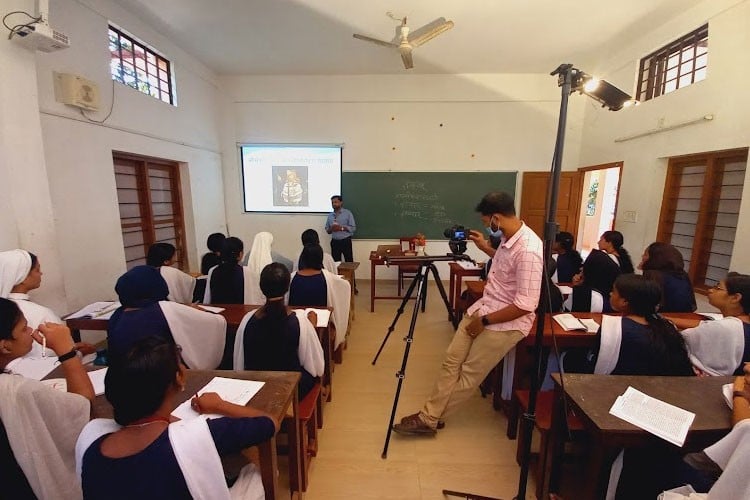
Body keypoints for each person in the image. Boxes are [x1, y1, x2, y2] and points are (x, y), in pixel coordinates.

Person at [393, 192, 543, 435]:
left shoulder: (529, 249)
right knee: (451, 361)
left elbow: (526, 305)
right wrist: (486, 248)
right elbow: (507, 264)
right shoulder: (509, 239)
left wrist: (484, 321)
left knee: (470, 373)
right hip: (483, 308)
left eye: (487, 223)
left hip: (505, 323)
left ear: (496, 218)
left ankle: (429, 417)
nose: (488, 227)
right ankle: (431, 416)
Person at [76, 336, 279, 500]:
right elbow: (270, 423)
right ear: (178, 378)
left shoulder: (90, 440)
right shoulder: (199, 435)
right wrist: (219, 405)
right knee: (256, 472)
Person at [0, 298, 93, 499]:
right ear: (5, 347)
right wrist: (66, 351)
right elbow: (82, 407)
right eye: (24, 329)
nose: (31, 330)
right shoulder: (16, 392)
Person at [565, 274, 694, 376]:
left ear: (624, 301)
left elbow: (596, 366)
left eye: (614, 292)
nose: (610, 294)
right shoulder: (667, 326)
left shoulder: (613, 328)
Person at [233, 263, 324, 399]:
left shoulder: (247, 320)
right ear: (287, 288)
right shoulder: (299, 321)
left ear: (262, 288)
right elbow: (317, 366)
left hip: (256, 390)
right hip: (290, 390)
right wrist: (312, 328)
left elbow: (239, 363)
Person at [110, 265, 225, 369]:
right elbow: (214, 322)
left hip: (124, 377)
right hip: (162, 375)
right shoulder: (164, 309)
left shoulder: (117, 315)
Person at [0, 249, 93, 356]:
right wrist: (80, 353)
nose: (41, 273)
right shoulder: (42, 314)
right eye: (37, 270)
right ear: (23, 277)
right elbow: (59, 355)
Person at [667, 273, 750, 376]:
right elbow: (703, 325)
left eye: (717, 288)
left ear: (735, 298)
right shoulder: (739, 324)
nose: (711, 290)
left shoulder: (725, 327)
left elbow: (679, 339)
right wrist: (666, 319)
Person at [289, 245, 351, 351]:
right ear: (320, 258)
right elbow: (345, 286)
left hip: (295, 322)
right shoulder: (328, 278)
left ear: (302, 258)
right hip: (321, 323)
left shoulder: (291, 278)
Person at [204, 236, 264, 305]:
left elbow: (208, 297)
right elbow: (257, 298)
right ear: (240, 254)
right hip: (242, 313)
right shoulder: (248, 272)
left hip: (217, 313)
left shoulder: (212, 270)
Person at [638, 242, 696, 312]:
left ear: (655, 258)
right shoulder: (682, 273)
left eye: (645, 254)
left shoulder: (653, 274)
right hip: (686, 316)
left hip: (666, 317)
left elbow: (646, 304)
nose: (642, 257)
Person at [325, 195, 356, 263]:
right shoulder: (330, 215)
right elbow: (327, 230)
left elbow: (353, 228)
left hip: (345, 241)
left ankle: (350, 274)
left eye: (336, 202)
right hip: (335, 242)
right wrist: (331, 229)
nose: (334, 204)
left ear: (341, 202)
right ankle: (336, 274)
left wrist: (341, 228)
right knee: (336, 263)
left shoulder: (348, 213)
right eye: (332, 203)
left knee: (349, 262)